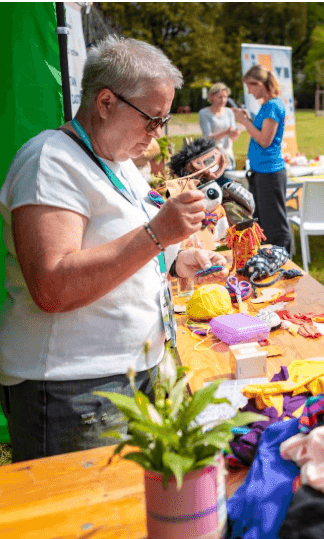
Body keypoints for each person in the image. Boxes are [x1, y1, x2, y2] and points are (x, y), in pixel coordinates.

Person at [0, 36, 228, 462]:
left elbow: (121, 243)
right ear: (105, 102)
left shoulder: (116, 163)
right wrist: (158, 236)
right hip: (73, 390)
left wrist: (176, 261)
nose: (156, 136)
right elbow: (52, 286)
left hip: (116, 378)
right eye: (151, 120)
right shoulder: (49, 162)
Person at [234, 65, 291, 252]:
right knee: (262, 222)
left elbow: (265, 140)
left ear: (259, 84)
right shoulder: (266, 106)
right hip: (261, 172)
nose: (249, 92)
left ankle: (282, 261)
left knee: (275, 225)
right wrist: (249, 119)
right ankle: (266, 258)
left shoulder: (273, 105)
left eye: (250, 87)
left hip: (270, 173)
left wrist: (245, 122)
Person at [198, 82, 240, 170]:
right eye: (220, 97)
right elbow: (207, 138)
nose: (223, 100)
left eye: (225, 97)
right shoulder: (204, 113)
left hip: (227, 155)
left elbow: (233, 136)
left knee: (229, 182)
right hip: (212, 157)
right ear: (211, 96)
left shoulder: (229, 112)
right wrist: (226, 132)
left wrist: (235, 133)